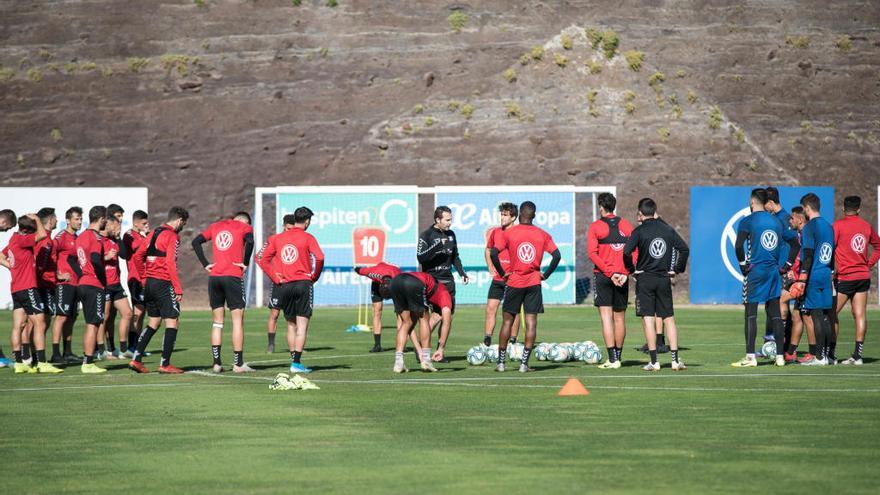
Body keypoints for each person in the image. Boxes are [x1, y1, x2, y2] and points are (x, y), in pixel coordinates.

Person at [489, 201, 562, 373]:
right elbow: (557, 256)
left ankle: (501, 364)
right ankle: (524, 364)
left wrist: (502, 272)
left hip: (514, 282)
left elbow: (493, 253)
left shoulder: (510, 233)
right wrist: (547, 274)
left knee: (507, 321)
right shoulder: (542, 234)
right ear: (534, 215)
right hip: (534, 283)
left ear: (520, 214)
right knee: (531, 323)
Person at [731, 188, 799, 368]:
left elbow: (738, 246)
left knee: (751, 315)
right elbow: (795, 243)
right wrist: (788, 265)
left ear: (752, 202)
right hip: (774, 273)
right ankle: (779, 357)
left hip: (756, 272)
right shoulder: (777, 221)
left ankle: (750, 357)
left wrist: (742, 265)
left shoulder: (748, 221)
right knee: (775, 315)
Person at [623, 198, 689, 371]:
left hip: (645, 279)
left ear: (640, 213)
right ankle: (675, 361)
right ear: (654, 211)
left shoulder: (639, 231)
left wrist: (631, 269)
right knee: (669, 319)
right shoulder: (667, 229)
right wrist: (676, 269)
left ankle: (654, 361)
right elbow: (684, 249)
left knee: (648, 319)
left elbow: (626, 252)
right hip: (663, 278)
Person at [256, 208, 324, 374]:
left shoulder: (277, 238)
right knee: (302, 326)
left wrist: (275, 277)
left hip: (284, 285)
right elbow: (320, 257)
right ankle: (296, 363)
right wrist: (314, 276)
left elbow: (260, 258)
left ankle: (293, 359)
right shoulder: (308, 237)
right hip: (303, 284)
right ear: (307, 221)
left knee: (290, 324)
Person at [192, 211, 255, 373]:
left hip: (215, 278)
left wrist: (206, 264)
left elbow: (196, 242)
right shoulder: (244, 227)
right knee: (237, 321)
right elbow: (250, 241)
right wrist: (245, 263)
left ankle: (217, 364)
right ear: (246, 222)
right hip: (232, 276)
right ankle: (238, 364)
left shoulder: (216, 226)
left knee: (217, 322)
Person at [128, 206, 189, 374]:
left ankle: (136, 359)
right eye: (183, 223)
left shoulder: (152, 233)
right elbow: (170, 263)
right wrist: (177, 288)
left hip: (150, 284)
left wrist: (143, 277)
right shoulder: (173, 236)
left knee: (154, 322)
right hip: (163, 283)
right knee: (172, 321)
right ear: (179, 221)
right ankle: (165, 363)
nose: (182, 227)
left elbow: (137, 256)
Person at [0, 213, 61, 373]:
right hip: (27, 287)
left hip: (16, 289)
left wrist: (11, 265)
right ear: (28, 229)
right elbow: (41, 235)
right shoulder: (22, 239)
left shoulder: (13, 239)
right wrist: (37, 219)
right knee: (40, 323)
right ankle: (42, 362)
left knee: (18, 326)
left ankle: (19, 363)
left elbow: (1, 255)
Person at [587, 192, 633, 369]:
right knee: (620, 318)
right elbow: (634, 252)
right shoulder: (626, 225)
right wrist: (625, 272)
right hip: (621, 277)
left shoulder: (595, 226)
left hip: (604, 276)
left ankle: (612, 359)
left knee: (606, 318)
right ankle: (618, 358)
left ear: (601, 207)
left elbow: (592, 253)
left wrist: (609, 273)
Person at [832, 196, 880, 365]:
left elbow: (829, 248)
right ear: (859, 209)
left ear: (844, 209)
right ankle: (858, 357)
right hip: (862, 277)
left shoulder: (837, 225)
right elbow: (878, 246)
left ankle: (831, 354)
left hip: (845, 277)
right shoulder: (866, 226)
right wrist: (869, 264)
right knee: (859, 314)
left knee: (831, 314)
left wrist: (831, 271)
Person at [790, 193, 836, 366]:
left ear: (807, 208)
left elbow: (807, 256)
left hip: (814, 276)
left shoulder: (810, 228)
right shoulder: (828, 226)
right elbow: (831, 254)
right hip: (826, 274)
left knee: (816, 316)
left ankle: (819, 357)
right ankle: (827, 355)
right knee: (825, 317)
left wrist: (802, 280)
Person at [418, 206, 469, 347]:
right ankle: (422, 346)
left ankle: (439, 351)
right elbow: (421, 258)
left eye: (450, 220)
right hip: (432, 282)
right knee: (437, 315)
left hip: (449, 282)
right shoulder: (426, 235)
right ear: (437, 219)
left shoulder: (451, 234)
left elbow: (455, 257)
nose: (449, 223)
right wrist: (436, 247)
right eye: (447, 220)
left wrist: (462, 273)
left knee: (446, 317)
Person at [386, 271, 452, 373]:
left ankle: (399, 362)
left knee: (406, 322)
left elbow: (407, 327)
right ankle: (426, 360)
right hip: (413, 282)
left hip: (395, 282)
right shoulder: (445, 293)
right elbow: (447, 320)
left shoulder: (431, 291)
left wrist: (418, 349)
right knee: (424, 318)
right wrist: (441, 349)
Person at [70, 206, 109, 373]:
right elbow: (95, 258)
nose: (106, 222)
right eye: (105, 219)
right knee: (94, 324)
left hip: (83, 284)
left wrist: (82, 274)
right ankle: (88, 363)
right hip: (93, 284)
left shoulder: (81, 236)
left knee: (90, 323)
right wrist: (103, 279)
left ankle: (88, 361)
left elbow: (72, 259)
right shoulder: (95, 237)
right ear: (101, 219)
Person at [483, 202, 520, 347]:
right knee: (491, 308)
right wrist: (489, 266)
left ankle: (513, 340)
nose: (502, 217)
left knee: (513, 311)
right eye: (502, 214)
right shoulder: (495, 232)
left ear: (513, 217)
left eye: (505, 215)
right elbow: (488, 250)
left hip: (513, 279)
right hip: (498, 278)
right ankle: (487, 339)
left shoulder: (518, 233)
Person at [51, 206, 83, 364]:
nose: (79, 222)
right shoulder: (61, 237)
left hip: (76, 284)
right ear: (68, 221)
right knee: (61, 317)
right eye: (76, 219)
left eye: (80, 219)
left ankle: (67, 352)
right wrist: (57, 275)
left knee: (71, 317)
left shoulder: (77, 238)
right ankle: (56, 354)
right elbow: (50, 257)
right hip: (64, 284)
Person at [99, 215, 132, 359]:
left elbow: (124, 256)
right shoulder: (98, 240)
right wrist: (105, 257)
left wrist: (118, 238)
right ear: (108, 224)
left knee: (128, 313)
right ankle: (101, 351)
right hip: (104, 285)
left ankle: (123, 349)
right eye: (116, 225)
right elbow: (90, 260)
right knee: (104, 318)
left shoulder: (114, 240)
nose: (118, 228)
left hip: (116, 285)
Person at [355, 261, 402, 352]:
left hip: (394, 283)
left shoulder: (399, 277)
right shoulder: (372, 272)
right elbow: (359, 270)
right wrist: (355, 268)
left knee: (400, 313)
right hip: (377, 283)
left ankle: (400, 344)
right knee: (377, 311)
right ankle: (377, 345)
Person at [781, 207, 809, 362]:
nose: (789, 220)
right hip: (799, 279)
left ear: (800, 219)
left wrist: (801, 278)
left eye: (792, 218)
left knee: (781, 301)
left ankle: (821, 352)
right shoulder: (799, 235)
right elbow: (799, 255)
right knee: (798, 316)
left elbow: (808, 258)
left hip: (803, 282)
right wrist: (791, 269)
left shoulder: (806, 235)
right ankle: (791, 351)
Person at [121, 210, 149, 356]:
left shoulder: (140, 236)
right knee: (137, 312)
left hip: (144, 277)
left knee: (142, 312)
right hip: (135, 279)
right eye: (144, 223)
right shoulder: (129, 235)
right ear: (136, 222)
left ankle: (137, 346)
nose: (146, 225)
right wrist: (149, 237)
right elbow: (138, 249)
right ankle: (131, 347)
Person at [35, 208, 58, 358]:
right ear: (50, 220)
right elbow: (40, 264)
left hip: (48, 284)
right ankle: (33, 356)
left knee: (41, 322)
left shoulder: (48, 239)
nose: (57, 220)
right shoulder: (45, 240)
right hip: (43, 285)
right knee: (39, 323)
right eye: (55, 218)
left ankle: (31, 356)